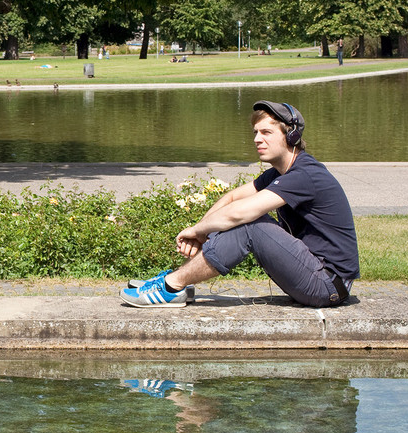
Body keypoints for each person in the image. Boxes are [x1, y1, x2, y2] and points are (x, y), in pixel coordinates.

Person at [121, 101, 358, 308]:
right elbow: (233, 198)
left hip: (327, 285)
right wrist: (203, 231)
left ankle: (171, 287)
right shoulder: (281, 172)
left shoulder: (304, 174)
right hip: (316, 276)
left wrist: (196, 231)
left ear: (291, 136)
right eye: (255, 132)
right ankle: (178, 282)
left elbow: (241, 213)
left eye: (266, 132)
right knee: (242, 218)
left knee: (250, 223)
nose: (257, 139)